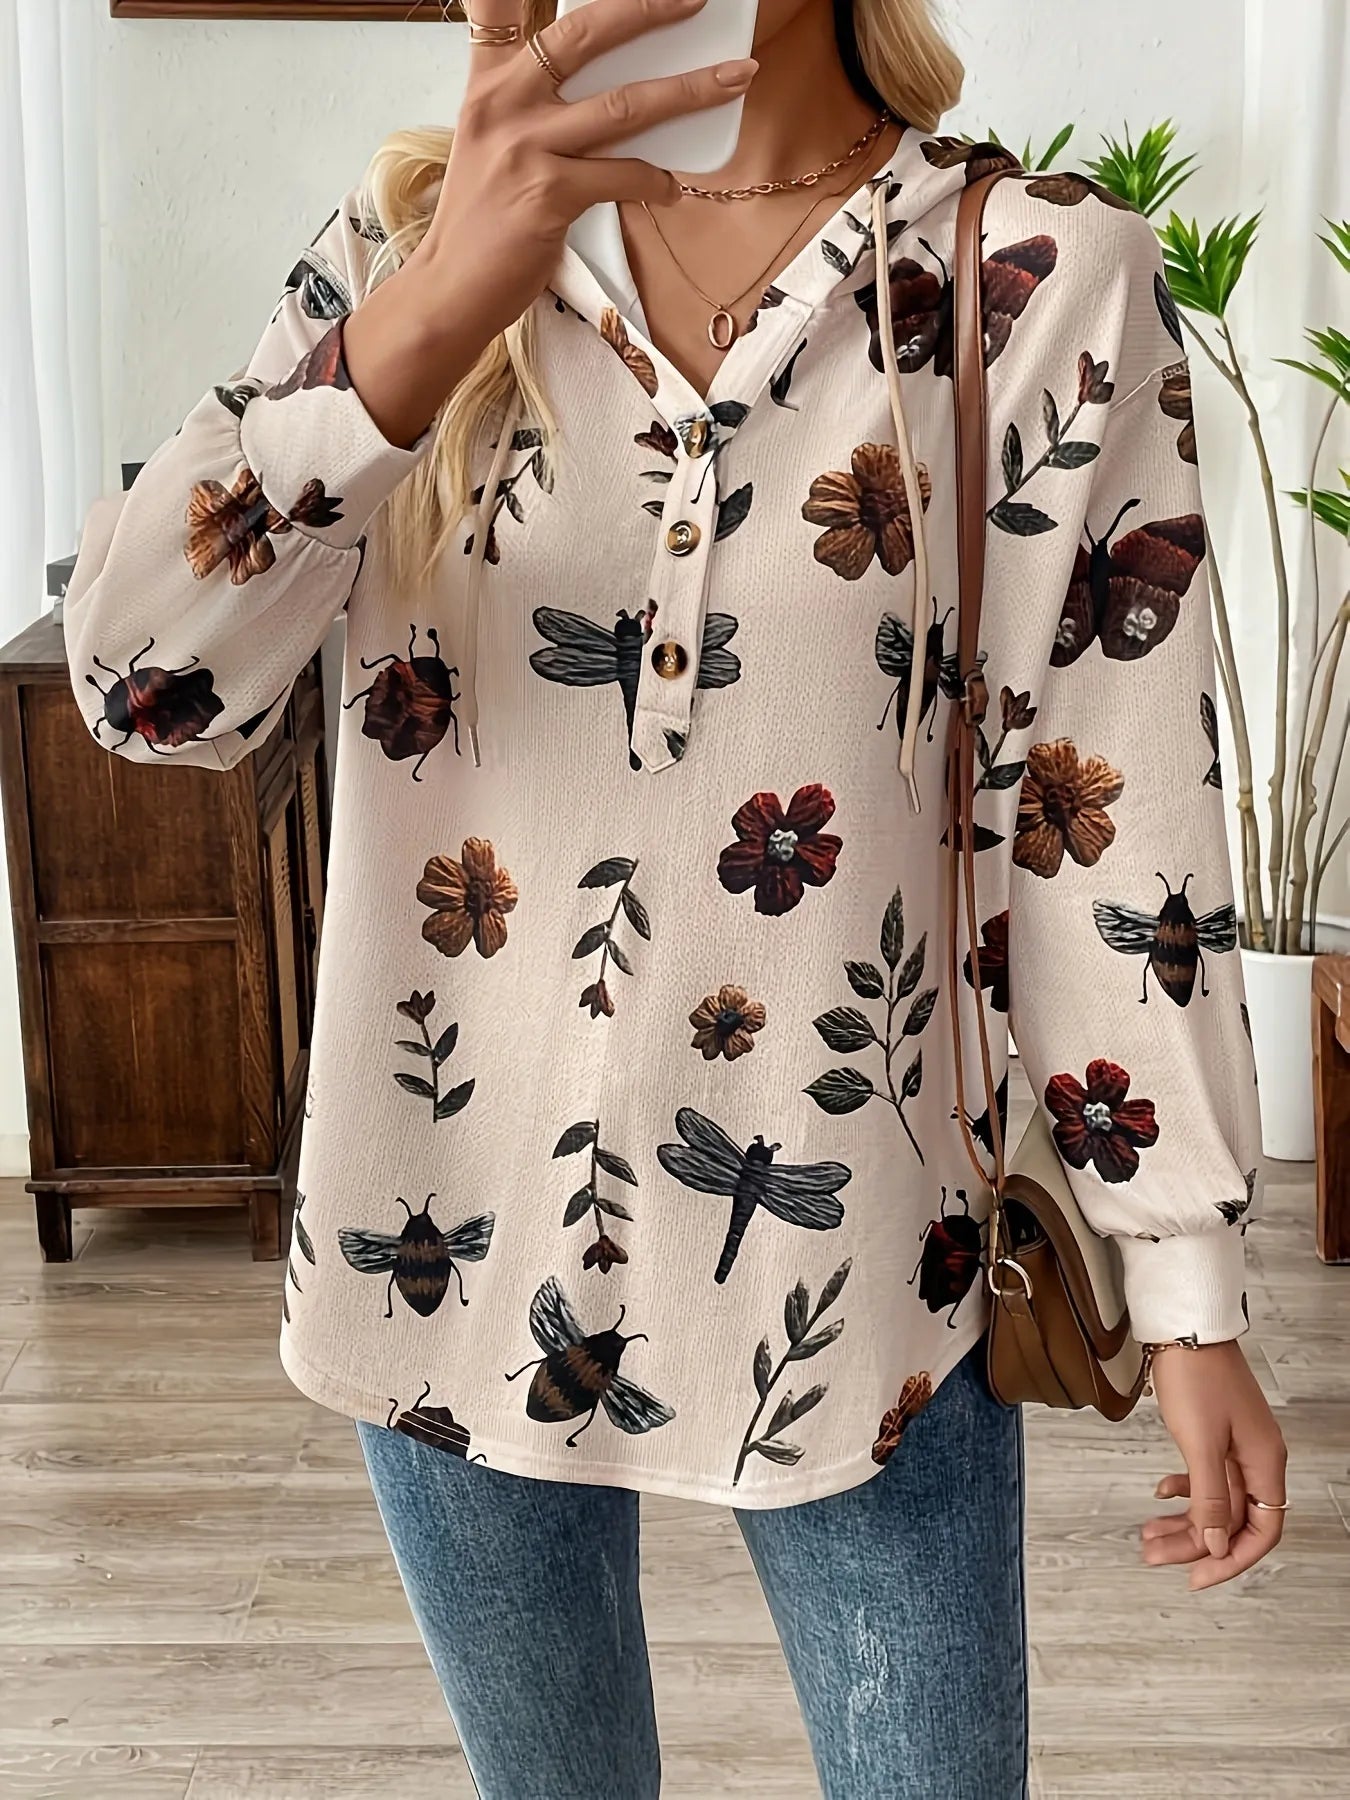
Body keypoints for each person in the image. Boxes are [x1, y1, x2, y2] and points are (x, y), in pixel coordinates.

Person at [66, 1, 1288, 1793]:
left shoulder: (1032, 274)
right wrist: (426, 318)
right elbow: (142, 689)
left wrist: (1184, 1287)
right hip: (446, 1228)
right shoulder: (407, 247)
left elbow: (1101, 812)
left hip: (864, 1265)